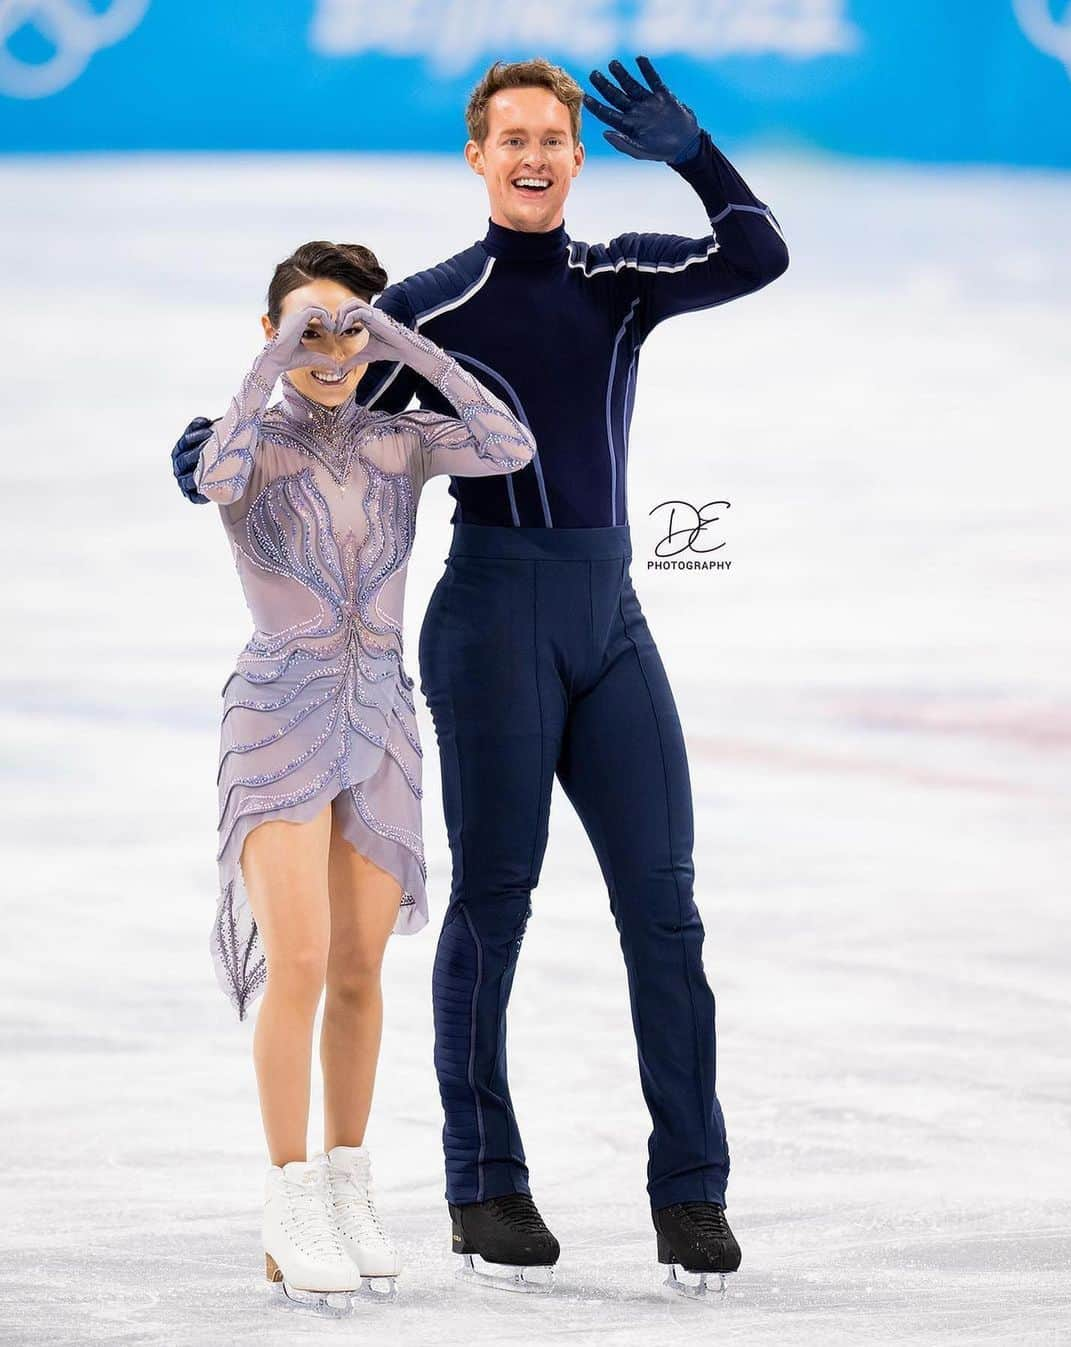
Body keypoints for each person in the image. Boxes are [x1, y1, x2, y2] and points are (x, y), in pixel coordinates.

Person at [172, 56, 788, 1294]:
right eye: (511, 136)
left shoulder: (617, 281)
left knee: (664, 907)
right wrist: (219, 429)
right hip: (491, 617)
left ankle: (693, 1192)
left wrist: (695, 152)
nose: (534, 155)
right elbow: (325, 401)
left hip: (610, 610)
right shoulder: (428, 308)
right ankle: (485, 1188)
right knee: (495, 903)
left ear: (573, 153)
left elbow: (757, 253)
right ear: (475, 155)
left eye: (553, 138)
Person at [189, 240, 536, 1309]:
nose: (332, 352)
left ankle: (346, 1185)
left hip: (382, 718)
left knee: (357, 969)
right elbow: (217, 480)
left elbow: (510, 444)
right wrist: (272, 365)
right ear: (271, 335)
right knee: (295, 958)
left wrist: (402, 343)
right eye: (308, 331)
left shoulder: (398, 442)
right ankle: (288, 1195)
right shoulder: (246, 440)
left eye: (349, 330)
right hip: (279, 720)